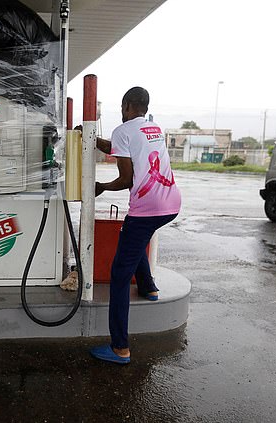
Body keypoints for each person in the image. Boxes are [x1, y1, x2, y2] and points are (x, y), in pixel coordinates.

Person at [90, 87, 181, 365]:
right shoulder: (153, 128)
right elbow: (124, 147)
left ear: (127, 105)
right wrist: (94, 141)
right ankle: (149, 288)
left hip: (147, 209)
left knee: (119, 274)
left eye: (122, 107)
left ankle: (120, 348)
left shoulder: (123, 129)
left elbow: (126, 179)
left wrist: (101, 187)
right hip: (171, 204)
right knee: (133, 238)